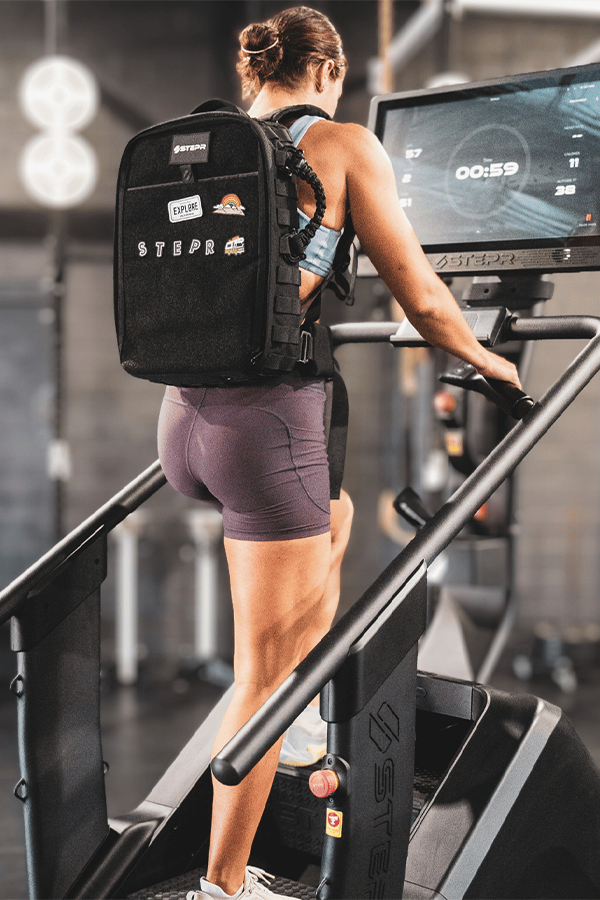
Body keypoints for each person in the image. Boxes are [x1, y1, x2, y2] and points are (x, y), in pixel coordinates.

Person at [157, 7, 522, 900]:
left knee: (341, 516)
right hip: (265, 430)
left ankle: (310, 731)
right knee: (264, 677)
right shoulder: (347, 146)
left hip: (182, 425)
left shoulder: (222, 145)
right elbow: (430, 305)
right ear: (330, 69)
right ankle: (224, 886)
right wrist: (489, 361)